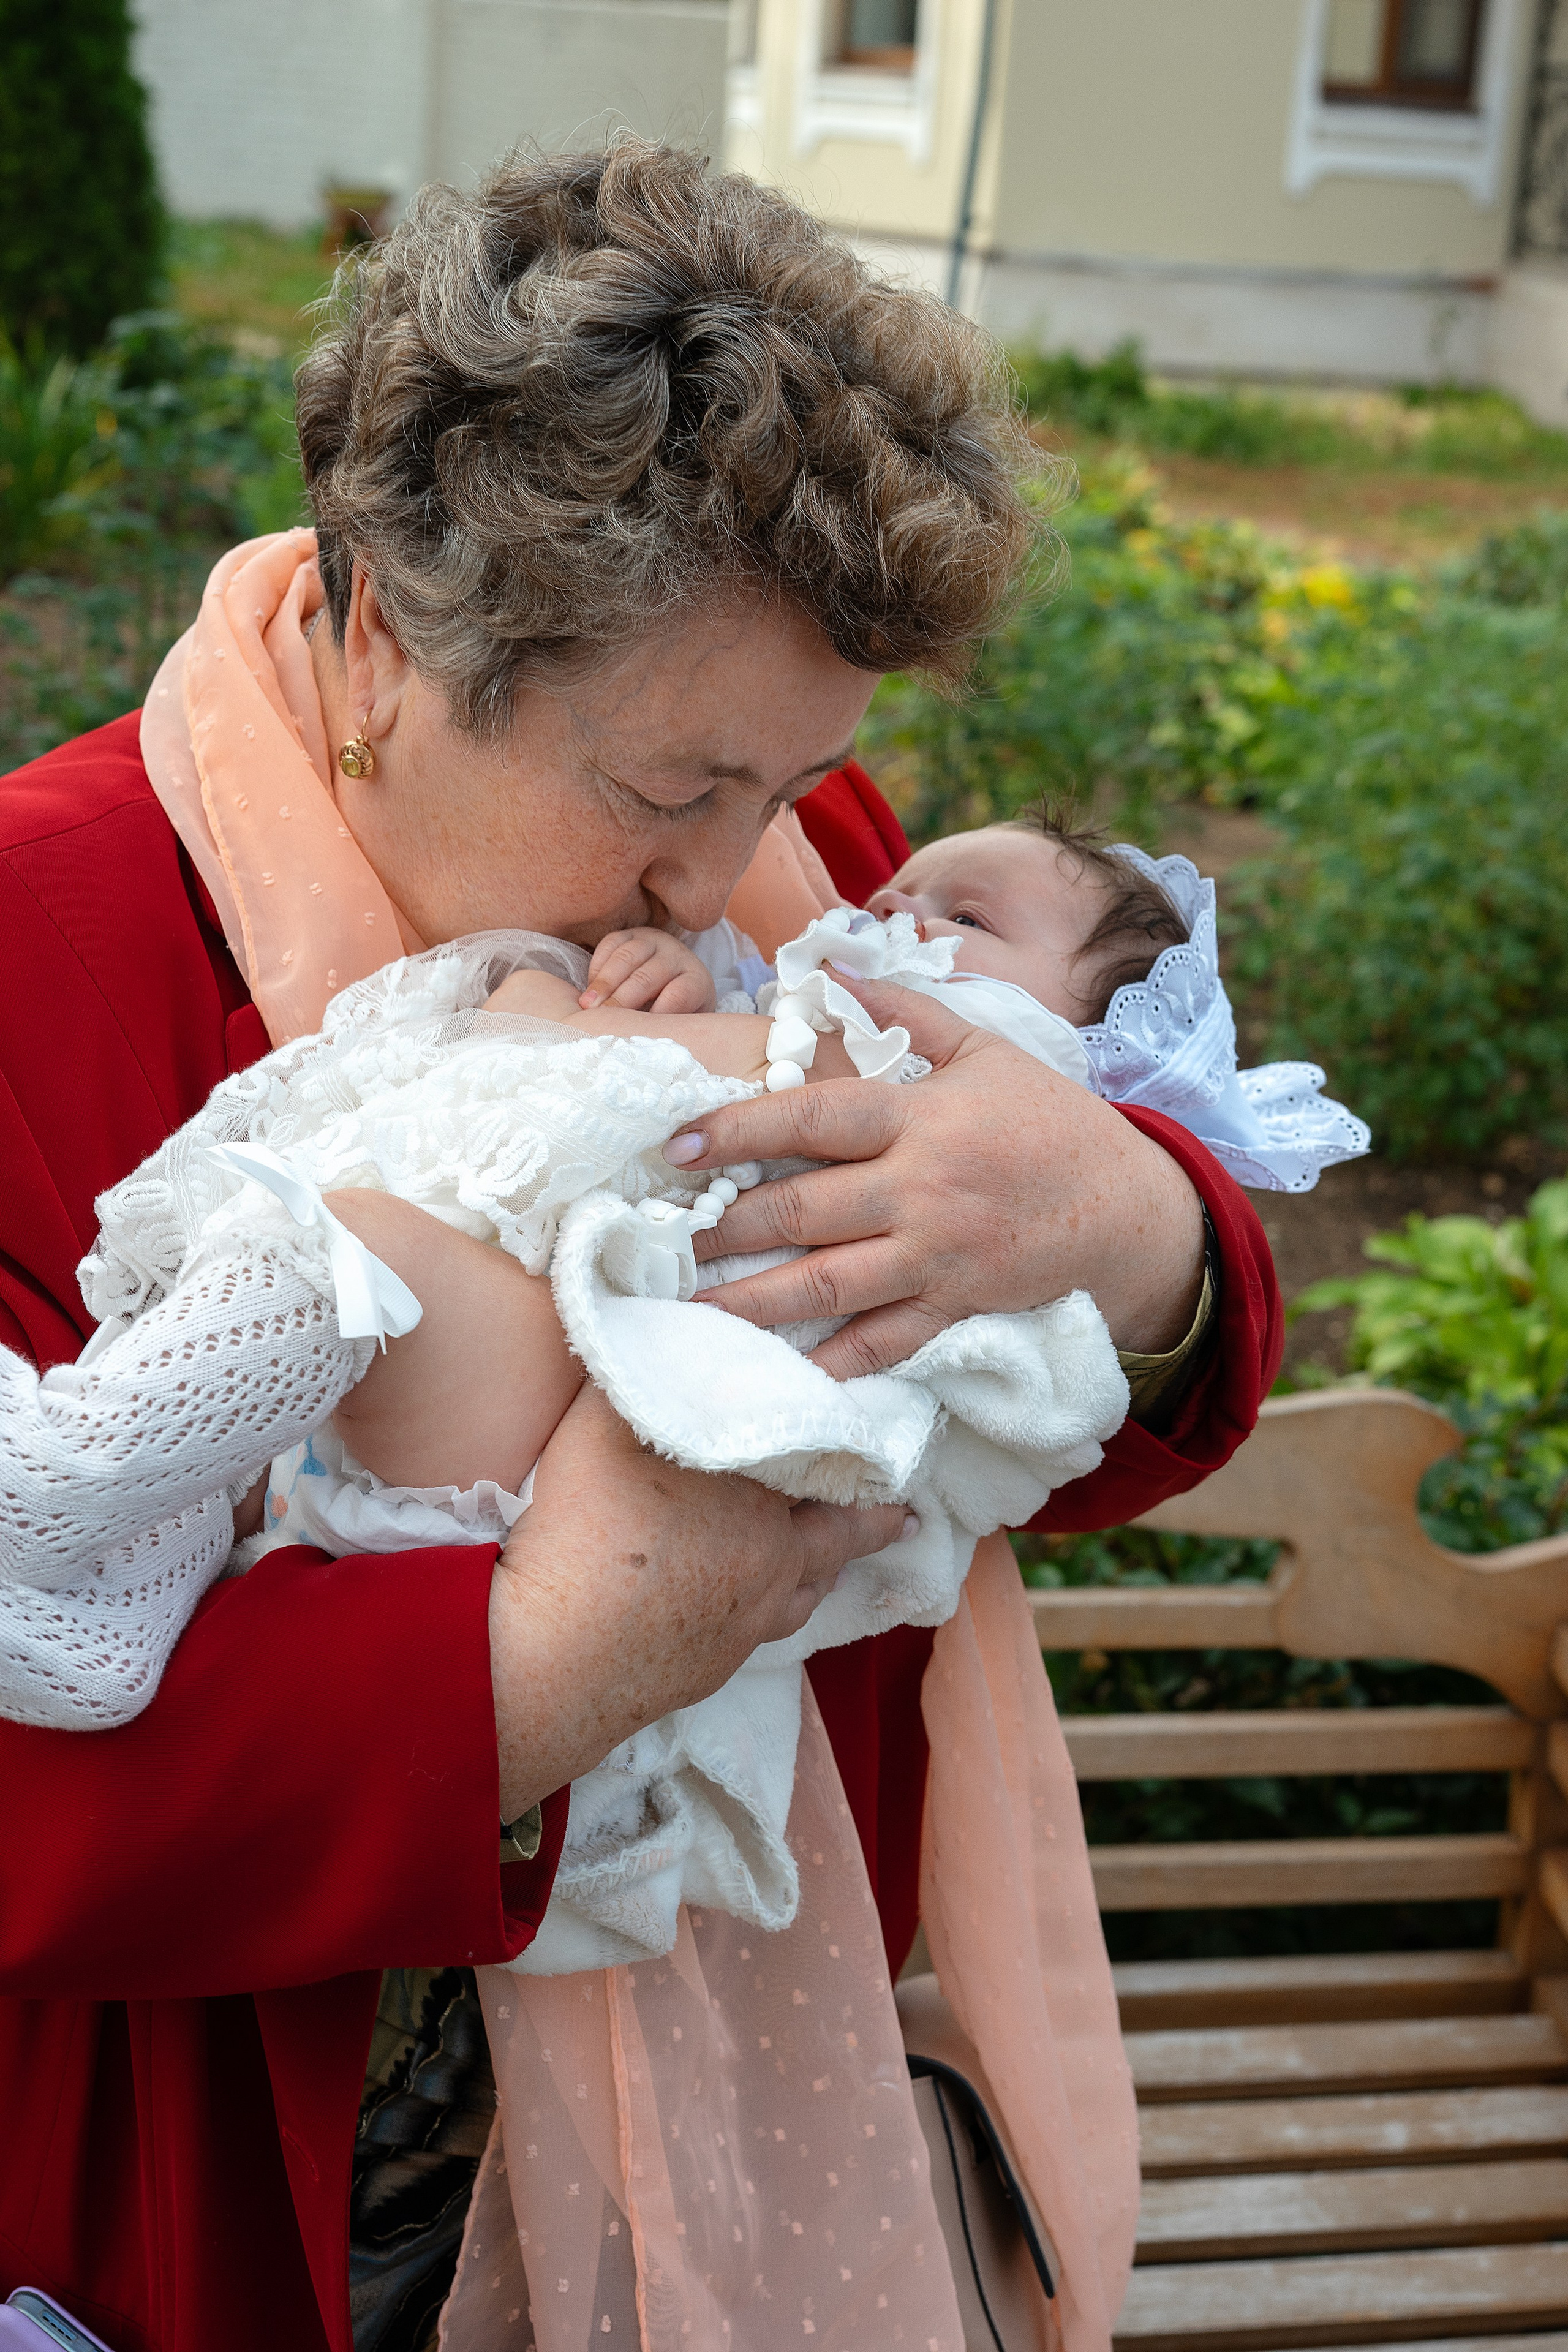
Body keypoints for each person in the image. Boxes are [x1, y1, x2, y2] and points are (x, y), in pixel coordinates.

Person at [0, 143, 1282, 2352]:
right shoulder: (41, 954)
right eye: (671, 790)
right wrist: (538, 1680)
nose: (745, 871)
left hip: (775, 2153)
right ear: (389, 644)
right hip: (268, 2204)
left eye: (791, 782)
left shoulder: (787, 840)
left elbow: (1035, 1419)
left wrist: (1135, 1226)